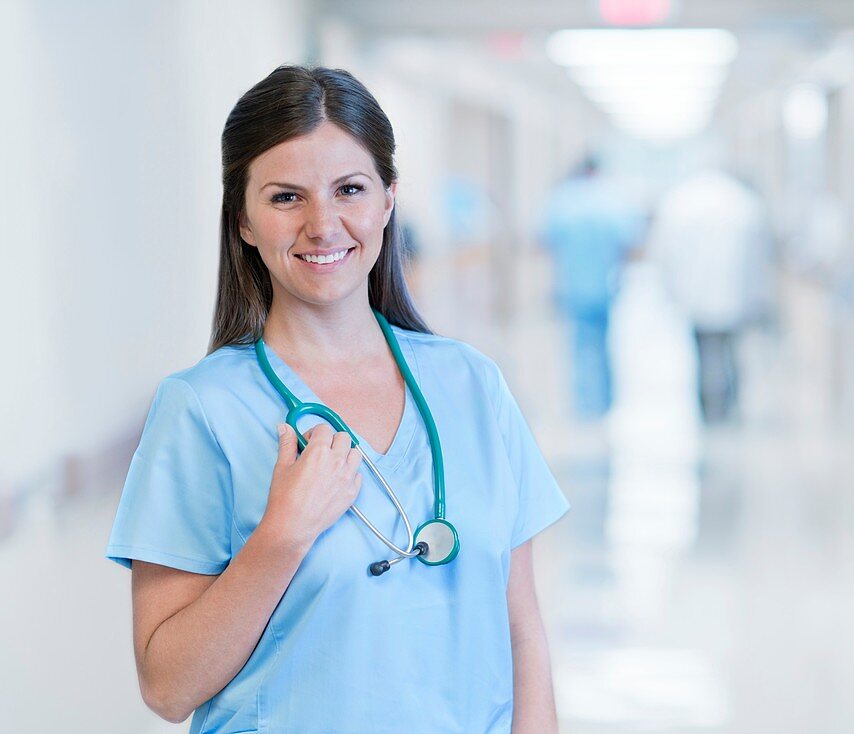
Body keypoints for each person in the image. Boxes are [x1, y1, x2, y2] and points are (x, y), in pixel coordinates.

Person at [104, 65, 570, 734]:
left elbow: (523, 633)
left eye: (349, 189)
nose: (323, 225)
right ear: (243, 219)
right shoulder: (201, 411)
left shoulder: (472, 386)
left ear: (387, 201)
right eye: (287, 197)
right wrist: (282, 535)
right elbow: (168, 687)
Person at [648, 167, 772, 424]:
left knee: (705, 351)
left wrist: (669, 292)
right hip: (735, 293)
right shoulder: (743, 205)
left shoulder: (681, 204)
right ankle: (727, 401)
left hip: (696, 295)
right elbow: (761, 256)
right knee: (729, 348)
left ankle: (709, 403)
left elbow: (663, 254)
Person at [538, 155, 644, 419]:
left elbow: (543, 239)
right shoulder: (612, 199)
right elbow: (631, 242)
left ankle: (586, 406)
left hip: (573, 286)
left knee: (581, 346)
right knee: (605, 342)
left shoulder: (563, 200)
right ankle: (607, 401)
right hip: (606, 284)